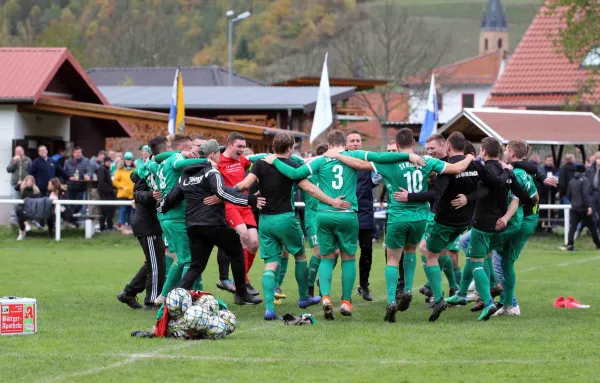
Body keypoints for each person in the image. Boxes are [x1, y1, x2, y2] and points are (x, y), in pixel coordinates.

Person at [265, 129, 423, 319]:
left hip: (324, 215)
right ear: (345, 144)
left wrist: (274, 160)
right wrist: (408, 156)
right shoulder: (352, 155)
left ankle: (325, 298)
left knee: (327, 257)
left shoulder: (320, 159)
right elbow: (380, 157)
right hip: (347, 214)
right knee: (348, 257)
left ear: (329, 145)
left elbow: (295, 173)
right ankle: (346, 302)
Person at [332, 129, 474, 323]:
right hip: (419, 218)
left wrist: (336, 155)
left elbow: (358, 163)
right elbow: (456, 169)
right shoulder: (425, 161)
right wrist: (469, 157)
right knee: (411, 251)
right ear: (414, 142)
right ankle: (408, 289)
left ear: (396, 145)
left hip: (398, 216)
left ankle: (391, 300)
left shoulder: (388, 163)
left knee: (392, 258)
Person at [238, 132, 351, 320]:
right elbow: (310, 188)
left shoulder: (259, 164)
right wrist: (332, 201)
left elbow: (243, 185)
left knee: (270, 264)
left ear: (274, 146)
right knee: (299, 255)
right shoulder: (293, 166)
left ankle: (269, 309)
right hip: (286, 218)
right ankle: (303, 297)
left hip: (265, 221)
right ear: (290, 148)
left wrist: (224, 193)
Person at [158, 139, 264, 305]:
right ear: (214, 154)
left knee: (196, 266)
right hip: (213, 224)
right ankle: (242, 293)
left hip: (193, 227)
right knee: (236, 251)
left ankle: (175, 299)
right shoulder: (211, 172)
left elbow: (171, 198)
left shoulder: (185, 176)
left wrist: (160, 206)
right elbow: (222, 193)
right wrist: (250, 200)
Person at [445, 137, 531, 322]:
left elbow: (485, 190)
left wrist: (468, 198)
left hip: (483, 224)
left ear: (483, 151)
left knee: (476, 261)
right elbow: (524, 196)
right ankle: (461, 293)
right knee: (471, 252)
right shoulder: (507, 171)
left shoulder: (484, 170)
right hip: (499, 226)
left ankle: (489, 300)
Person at [150, 134, 206, 305]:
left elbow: (151, 163)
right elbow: (179, 163)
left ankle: (193, 294)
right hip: (175, 216)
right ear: (182, 148)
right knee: (188, 259)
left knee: (183, 257)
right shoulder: (175, 158)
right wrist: (207, 161)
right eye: (190, 149)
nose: (192, 152)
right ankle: (180, 298)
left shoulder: (159, 163)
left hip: (166, 216)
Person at [117, 156, 166, 310]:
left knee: (154, 263)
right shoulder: (145, 173)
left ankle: (128, 293)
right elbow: (138, 194)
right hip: (147, 224)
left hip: (152, 224)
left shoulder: (161, 173)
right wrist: (152, 196)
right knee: (156, 265)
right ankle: (151, 302)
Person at [216, 132, 261, 296]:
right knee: (242, 235)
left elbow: (256, 164)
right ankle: (245, 282)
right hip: (231, 205)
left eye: (244, 146)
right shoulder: (218, 162)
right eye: (239, 146)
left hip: (246, 206)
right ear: (229, 145)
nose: (242, 149)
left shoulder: (242, 161)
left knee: (254, 243)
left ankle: (239, 280)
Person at [346, 131, 380, 302]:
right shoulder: (340, 163)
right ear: (346, 144)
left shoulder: (369, 165)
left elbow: (378, 179)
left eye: (358, 141)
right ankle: (327, 285)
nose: (355, 143)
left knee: (366, 250)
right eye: (352, 141)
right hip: (345, 212)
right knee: (341, 251)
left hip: (365, 212)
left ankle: (364, 285)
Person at [306, 144, 330, 298]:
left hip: (328, 216)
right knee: (319, 252)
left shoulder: (331, 175)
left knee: (331, 253)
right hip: (312, 218)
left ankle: (322, 282)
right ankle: (309, 286)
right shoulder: (308, 174)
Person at [566, 164, 600, 251]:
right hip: (584, 208)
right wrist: (589, 206)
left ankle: (570, 245)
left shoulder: (571, 181)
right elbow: (586, 195)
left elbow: (568, 195)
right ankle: (598, 244)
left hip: (574, 207)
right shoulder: (585, 180)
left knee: (572, 227)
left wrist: (573, 202)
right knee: (592, 227)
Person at [7, 145, 32, 224]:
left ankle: (26, 219)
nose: (18, 153)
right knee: (15, 201)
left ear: (23, 151)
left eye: (19, 151)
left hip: (25, 184)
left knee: (26, 201)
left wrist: (28, 181)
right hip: (15, 184)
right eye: (16, 152)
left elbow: (31, 171)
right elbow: (8, 169)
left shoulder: (28, 160)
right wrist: (14, 162)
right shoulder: (13, 160)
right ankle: (14, 221)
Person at [63, 147, 91, 216]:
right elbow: (64, 173)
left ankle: (69, 216)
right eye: (76, 152)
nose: (78, 154)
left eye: (79, 152)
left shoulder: (86, 161)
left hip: (81, 186)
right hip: (70, 186)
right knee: (71, 204)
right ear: (73, 153)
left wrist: (87, 175)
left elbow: (89, 171)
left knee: (79, 204)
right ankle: (73, 220)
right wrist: (69, 178)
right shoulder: (67, 162)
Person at [113, 152, 135, 229]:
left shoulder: (134, 170)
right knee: (122, 209)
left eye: (130, 160)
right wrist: (122, 186)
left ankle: (130, 225)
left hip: (132, 194)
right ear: (124, 161)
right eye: (127, 160)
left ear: (132, 161)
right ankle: (121, 225)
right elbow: (115, 181)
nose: (128, 161)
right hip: (123, 194)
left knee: (131, 211)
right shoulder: (120, 170)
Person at [15, 175, 40, 240]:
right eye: (27, 181)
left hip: (30, 207)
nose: (29, 182)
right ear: (25, 182)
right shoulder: (23, 188)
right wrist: (18, 184)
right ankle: (26, 225)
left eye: (30, 181)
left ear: (33, 182)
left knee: (21, 214)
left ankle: (21, 233)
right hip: (21, 206)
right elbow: (16, 188)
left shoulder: (36, 190)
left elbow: (36, 201)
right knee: (19, 211)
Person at [96, 156, 116, 231]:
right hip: (105, 193)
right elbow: (101, 183)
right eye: (107, 161)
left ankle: (107, 226)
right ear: (104, 162)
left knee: (107, 210)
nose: (108, 163)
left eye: (109, 161)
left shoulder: (106, 169)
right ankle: (106, 226)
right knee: (106, 210)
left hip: (107, 193)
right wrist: (110, 190)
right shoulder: (102, 169)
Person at [585, 154, 600, 232]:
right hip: (592, 193)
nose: (598, 160)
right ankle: (592, 230)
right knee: (593, 212)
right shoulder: (590, 169)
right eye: (597, 158)